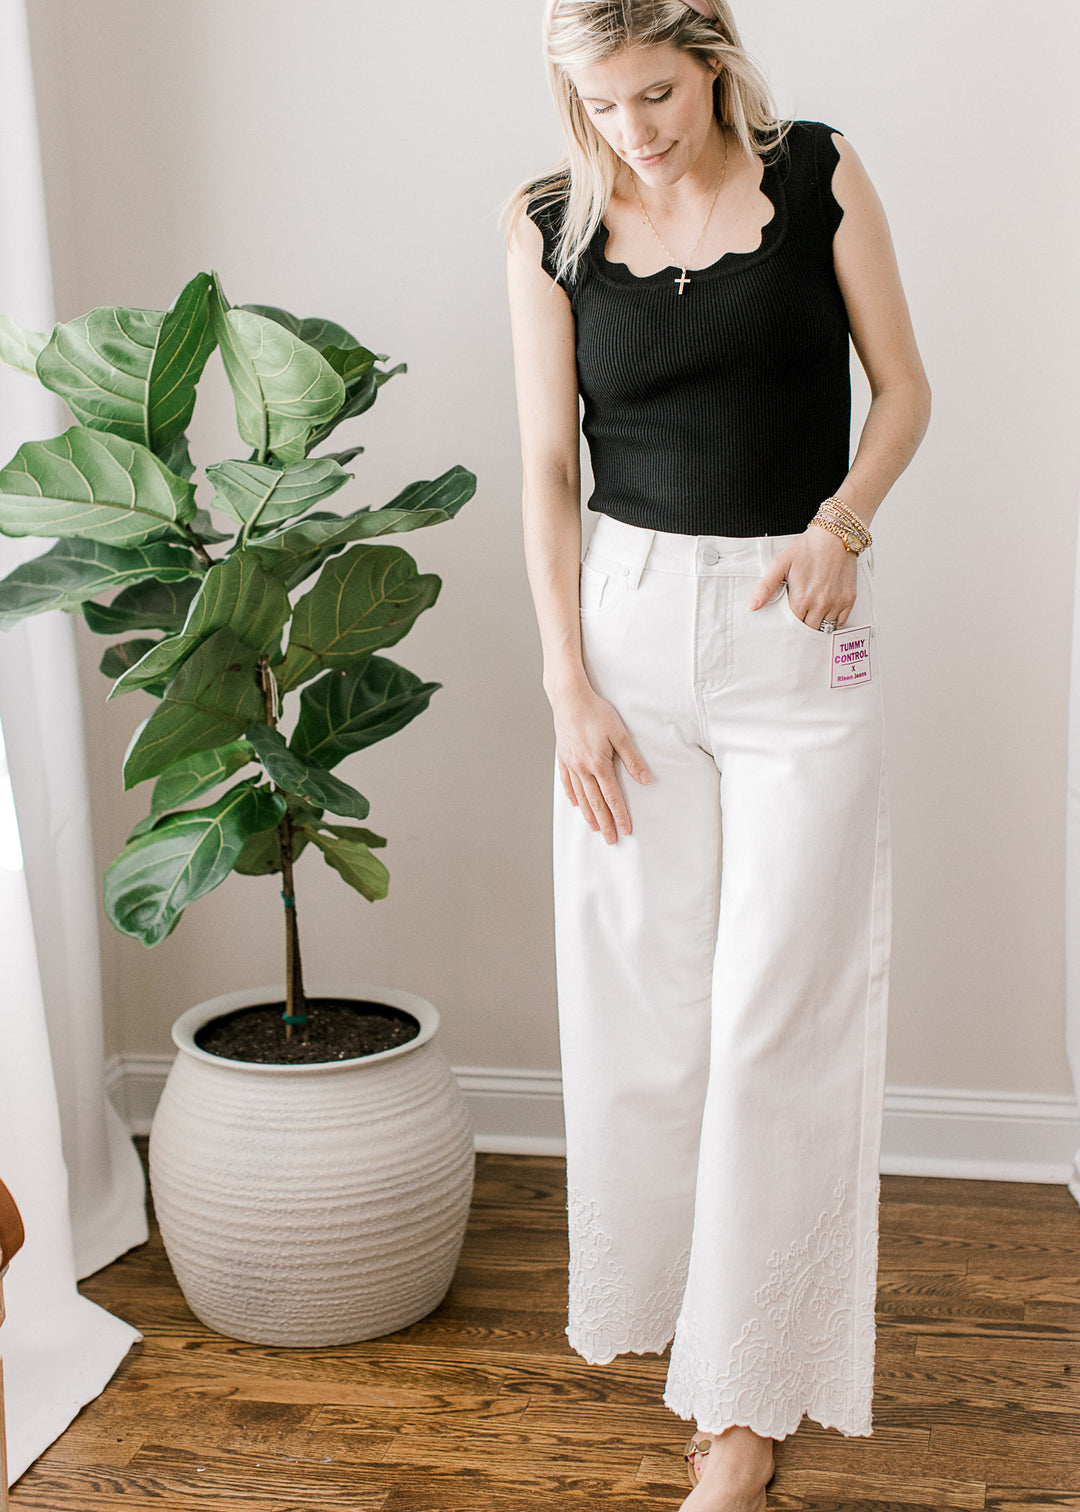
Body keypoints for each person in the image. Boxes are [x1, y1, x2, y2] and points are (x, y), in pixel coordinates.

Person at [505, 1, 930, 1506]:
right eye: (604, 103)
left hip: (793, 632)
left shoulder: (815, 174)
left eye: (658, 95)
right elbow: (549, 464)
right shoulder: (551, 225)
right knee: (644, 1013)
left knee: (777, 1015)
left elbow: (907, 392)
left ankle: (746, 1415)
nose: (635, 130)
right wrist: (565, 682)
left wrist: (842, 523)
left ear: (714, 61)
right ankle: (684, 1337)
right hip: (623, 638)